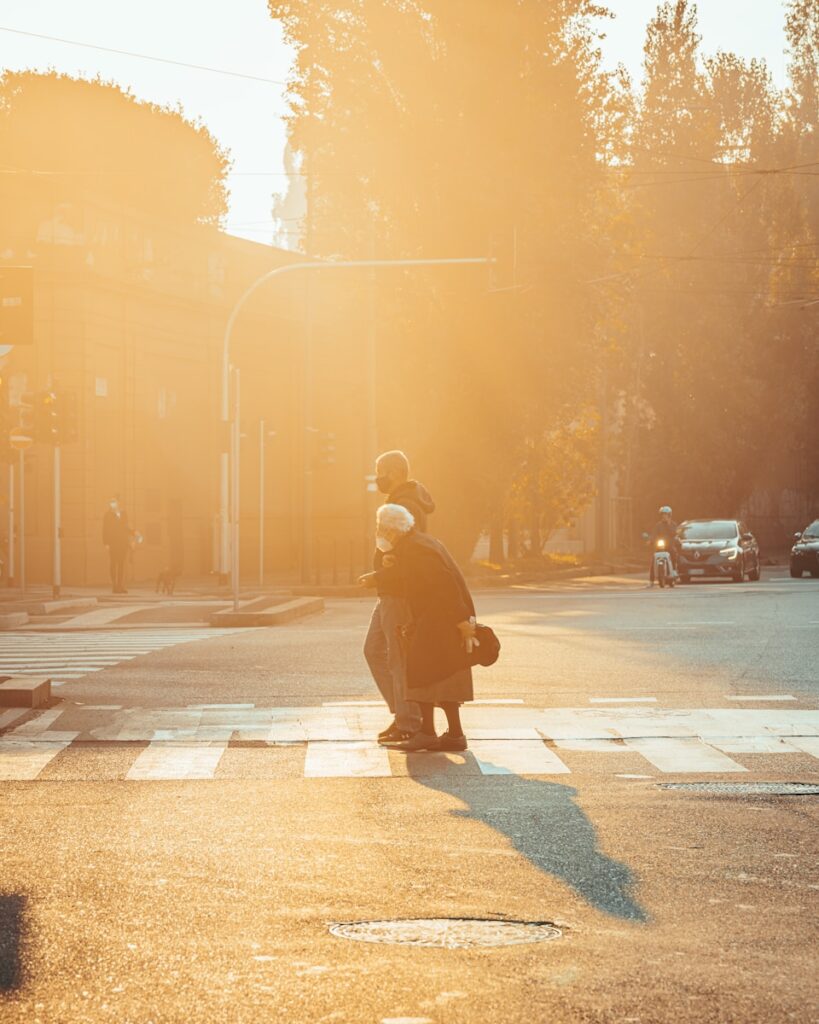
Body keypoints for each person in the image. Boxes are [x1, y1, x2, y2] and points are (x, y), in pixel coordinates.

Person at [368, 503, 477, 753]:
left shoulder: (416, 549)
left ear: (392, 530)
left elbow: (444, 583)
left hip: (437, 618)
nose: (379, 533)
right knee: (441, 675)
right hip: (437, 617)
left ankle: (427, 733)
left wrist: (462, 621)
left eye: (381, 528)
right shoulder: (417, 543)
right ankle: (454, 735)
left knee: (421, 672)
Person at [359, 451, 434, 743]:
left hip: (399, 592)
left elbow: (403, 554)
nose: (379, 478)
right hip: (391, 590)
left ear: (394, 471)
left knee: (396, 658)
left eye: (381, 471)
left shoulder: (404, 504)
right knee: (375, 650)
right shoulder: (407, 500)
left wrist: (380, 575)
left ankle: (408, 721)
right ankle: (404, 714)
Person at [103, 496, 132, 594]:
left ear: (118, 503)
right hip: (113, 543)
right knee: (113, 563)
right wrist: (106, 543)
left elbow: (126, 527)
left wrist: (130, 540)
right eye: (111, 502)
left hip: (122, 542)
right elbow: (105, 529)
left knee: (121, 564)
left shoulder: (124, 514)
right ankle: (114, 585)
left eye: (115, 502)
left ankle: (120, 586)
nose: (113, 504)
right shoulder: (107, 515)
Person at [648, 505, 679, 585]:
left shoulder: (673, 525)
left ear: (669, 515)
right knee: (653, 558)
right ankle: (651, 580)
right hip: (660, 546)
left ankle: (674, 570)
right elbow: (654, 534)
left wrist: (669, 525)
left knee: (673, 553)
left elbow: (674, 533)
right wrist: (651, 540)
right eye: (662, 514)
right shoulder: (658, 525)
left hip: (670, 546)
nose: (663, 516)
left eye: (665, 514)